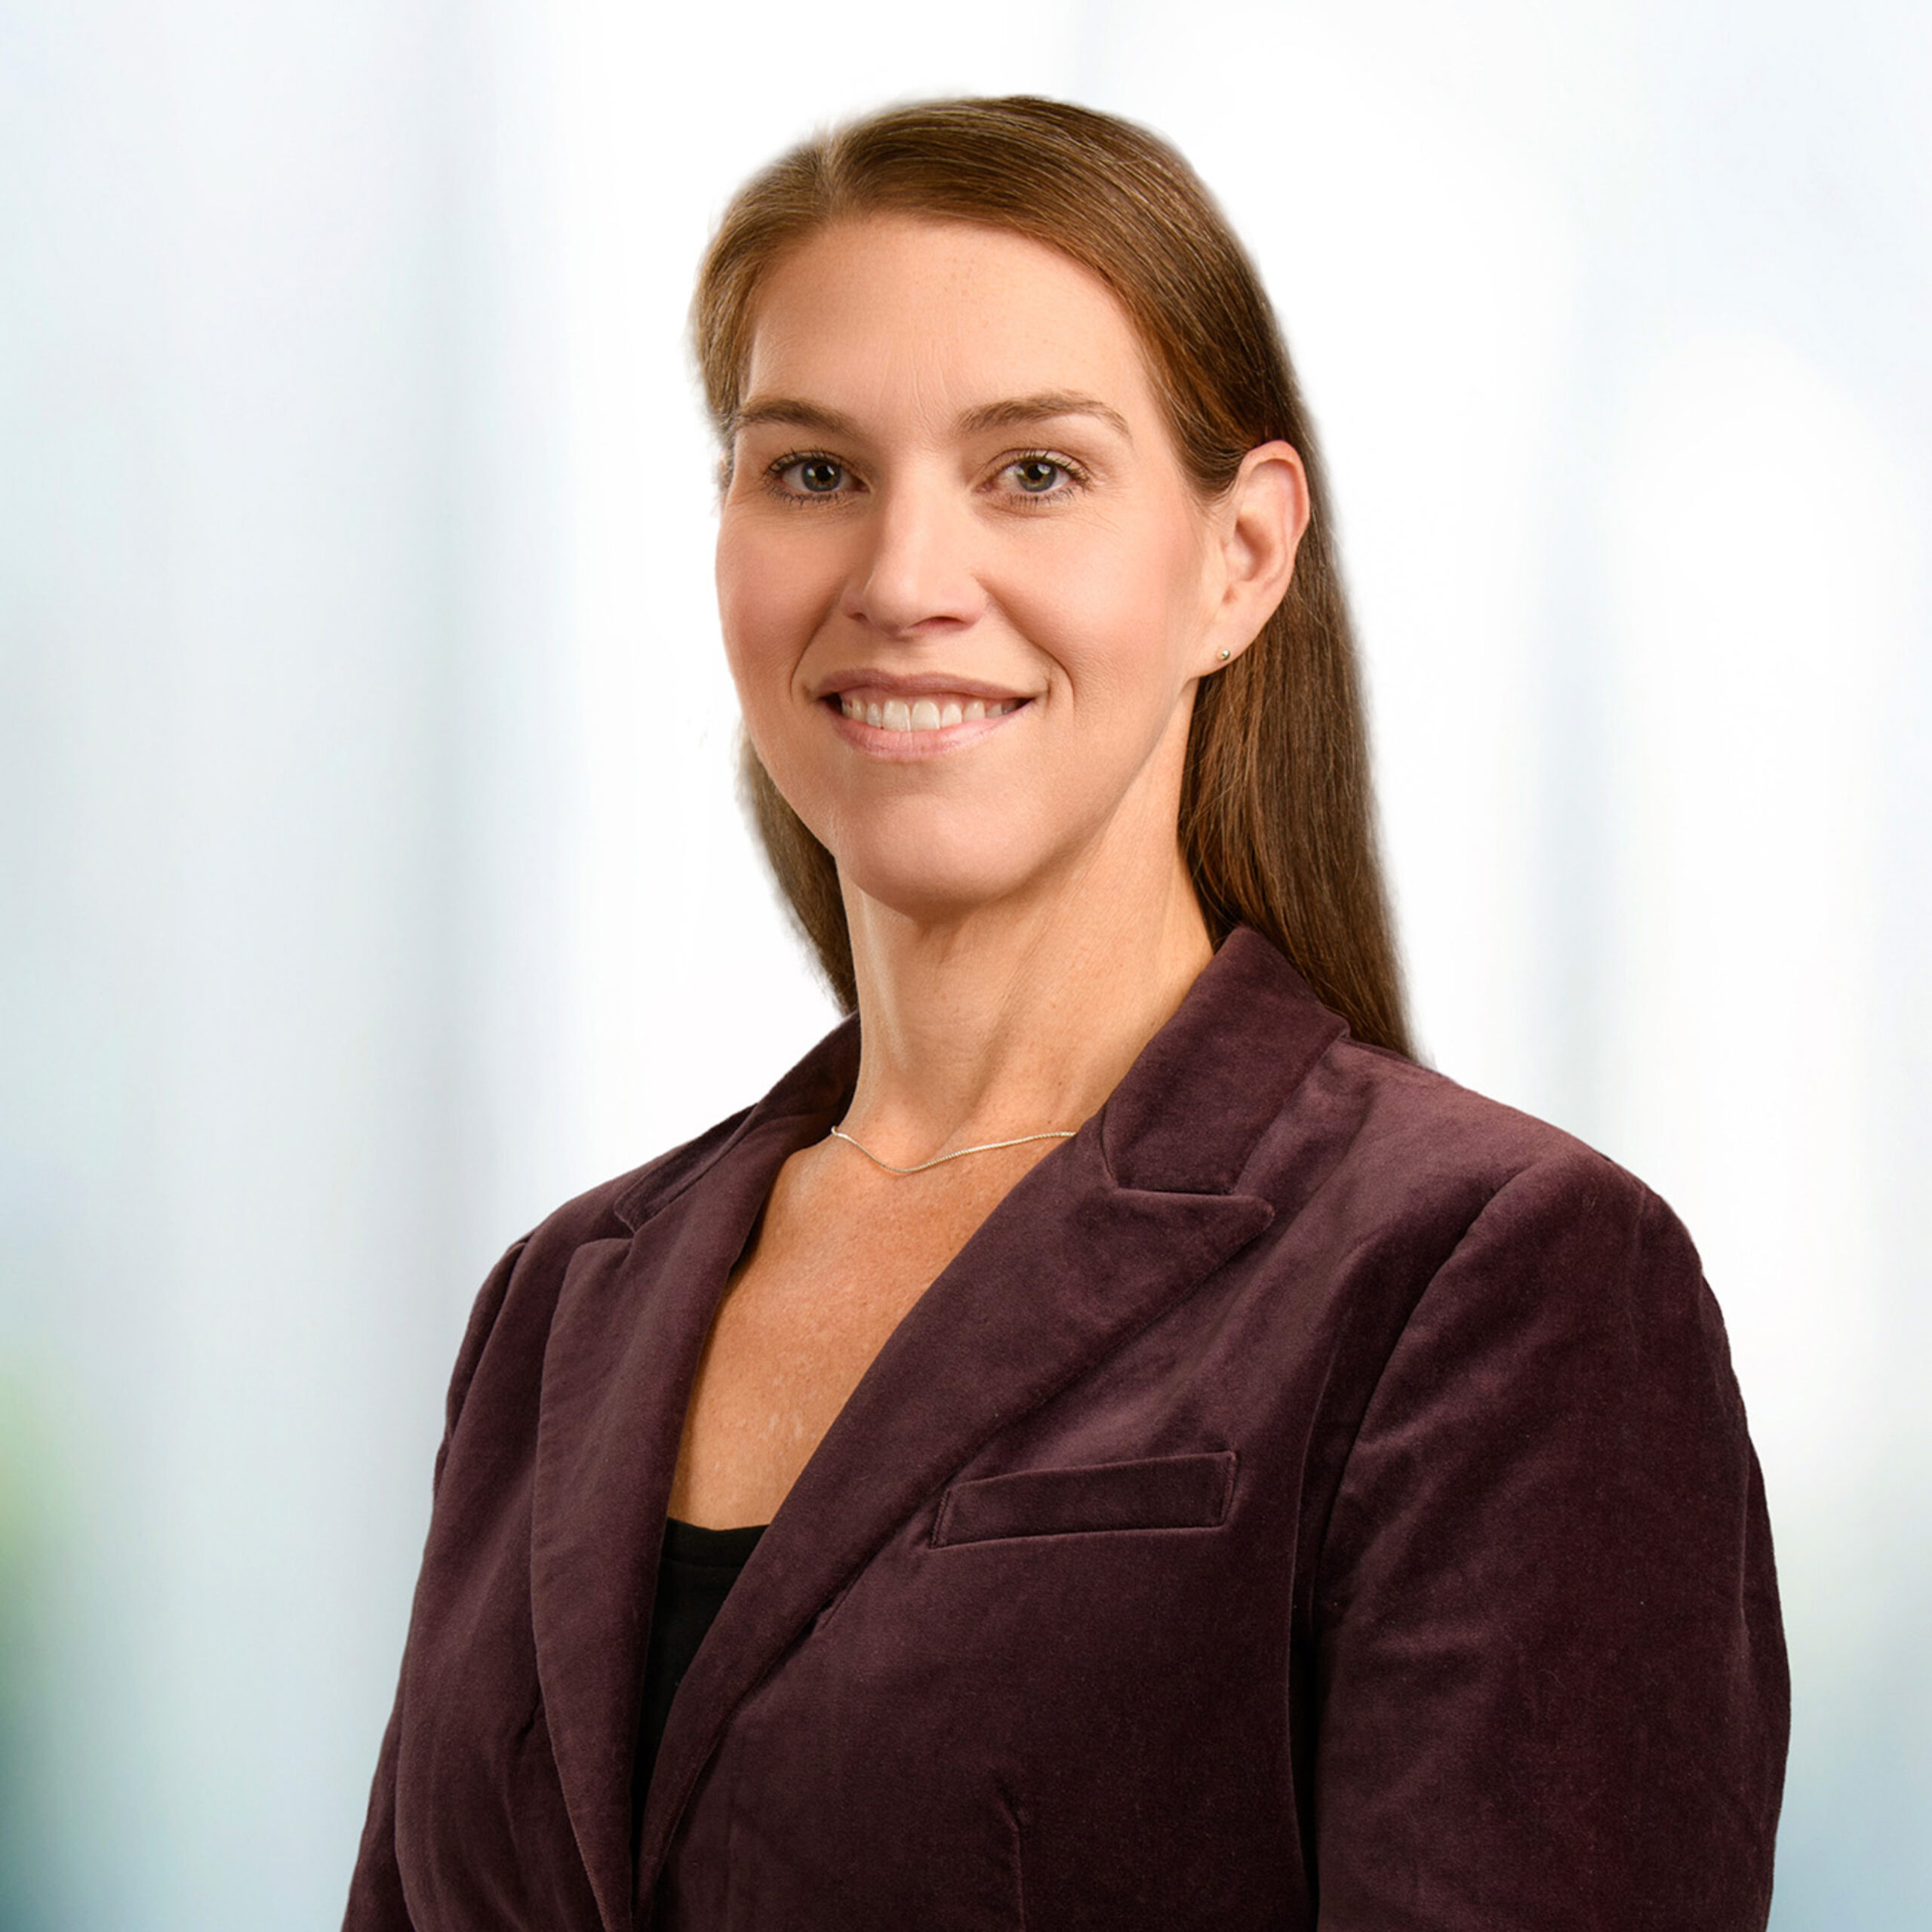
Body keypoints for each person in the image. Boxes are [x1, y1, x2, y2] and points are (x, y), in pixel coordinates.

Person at [344, 96, 1787, 1931]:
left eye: (1031, 472)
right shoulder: (563, 1307)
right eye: (811, 470)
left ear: (1238, 557)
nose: (901, 580)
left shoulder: (1490, 1278)